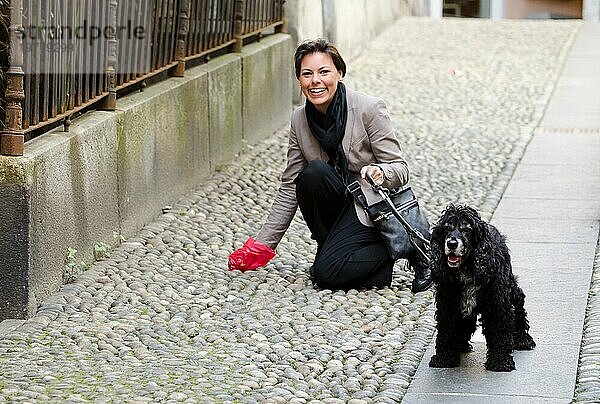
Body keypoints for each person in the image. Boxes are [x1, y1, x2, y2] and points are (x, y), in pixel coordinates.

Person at [228, 39, 432, 293]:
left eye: (324, 72)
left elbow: (400, 169)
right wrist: (263, 244)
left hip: (368, 211)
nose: (316, 81)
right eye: (307, 74)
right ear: (299, 80)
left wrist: (382, 172)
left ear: (339, 73)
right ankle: (341, 252)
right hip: (335, 208)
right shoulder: (299, 120)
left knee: (325, 275)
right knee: (313, 174)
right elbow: (291, 186)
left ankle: (398, 249)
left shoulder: (368, 108)